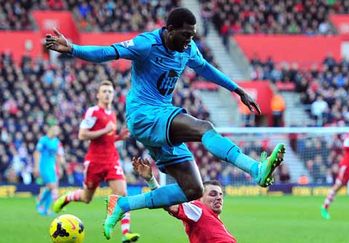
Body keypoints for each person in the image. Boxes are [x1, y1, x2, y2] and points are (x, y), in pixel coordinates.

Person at [45, 7, 285, 240]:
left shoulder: (187, 49)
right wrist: (73, 49)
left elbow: (205, 68)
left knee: (192, 190)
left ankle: (123, 204)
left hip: (161, 118)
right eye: (186, 34)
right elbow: (108, 52)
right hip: (144, 115)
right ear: (169, 29)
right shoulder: (146, 44)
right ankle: (255, 169)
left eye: (192, 35)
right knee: (204, 128)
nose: (190, 40)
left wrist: (237, 89)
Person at [52, 80, 140, 243]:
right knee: (86, 197)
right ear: (98, 95)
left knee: (123, 194)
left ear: (113, 95)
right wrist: (105, 130)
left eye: (110, 91)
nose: (107, 94)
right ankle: (66, 198)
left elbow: (106, 139)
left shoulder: (112, 113)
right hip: (94, 162)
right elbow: (82, 135)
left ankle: (126, 233)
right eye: (104, 91)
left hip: (112, 160)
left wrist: (118, 137)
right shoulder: (93, 112)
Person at [133, 157, 236, 243]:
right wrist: (151, 180)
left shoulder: (211, 217)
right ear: (200, 197)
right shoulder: (197, 210)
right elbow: (168, 203)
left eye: (220, 195)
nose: (219, 197)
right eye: (213, 194)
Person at [33, 125, 65, 216]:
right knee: (52, 186)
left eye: (58, 130)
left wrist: (60, 168)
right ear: (50, 130)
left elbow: (59, 156)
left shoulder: (57, 142)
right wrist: (36, 167)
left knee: (52, 187)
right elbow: (36, 153)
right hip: (43, 165)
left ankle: (46, 209)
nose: (56, 131)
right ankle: (39, 203)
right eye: (55, 129)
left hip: (52, 166)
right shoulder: (43, 140)